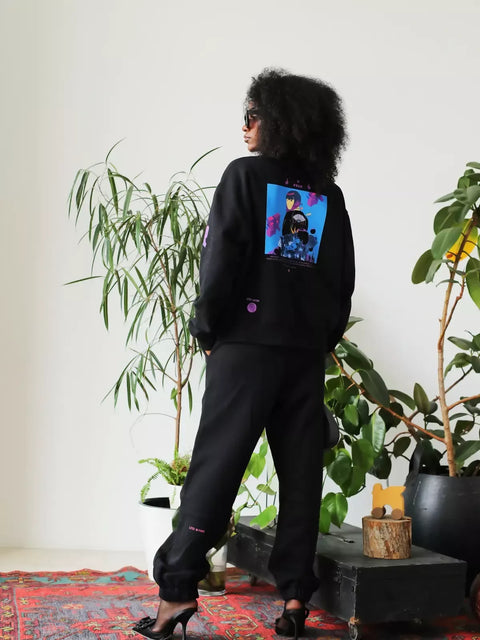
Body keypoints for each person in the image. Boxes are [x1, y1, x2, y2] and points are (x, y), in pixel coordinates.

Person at [133, 67, 355, 640]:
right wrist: (319, 339)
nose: (245, 127)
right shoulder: (328, 196)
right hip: (304, 354)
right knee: (301, 476)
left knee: (217, 465)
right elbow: (342, 283)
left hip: (246, 350)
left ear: (277, 121)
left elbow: (221, 262)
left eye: (252, 115)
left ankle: (176, 592)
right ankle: (296, 599)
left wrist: (207, 330)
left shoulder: (244, 176)